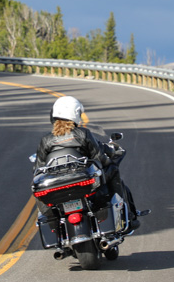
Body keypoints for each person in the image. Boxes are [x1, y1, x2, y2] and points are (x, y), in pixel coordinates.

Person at [34, 95, 140, 230]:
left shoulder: (46, 140)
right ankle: (129, 216)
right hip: (82, 182)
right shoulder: (83, 133)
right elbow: (99, 158)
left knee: (37, 187)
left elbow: (38, 169)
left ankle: (52, 222)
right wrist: (110, 160)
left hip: (57, 187)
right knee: (112, 169)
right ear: (76, 114)